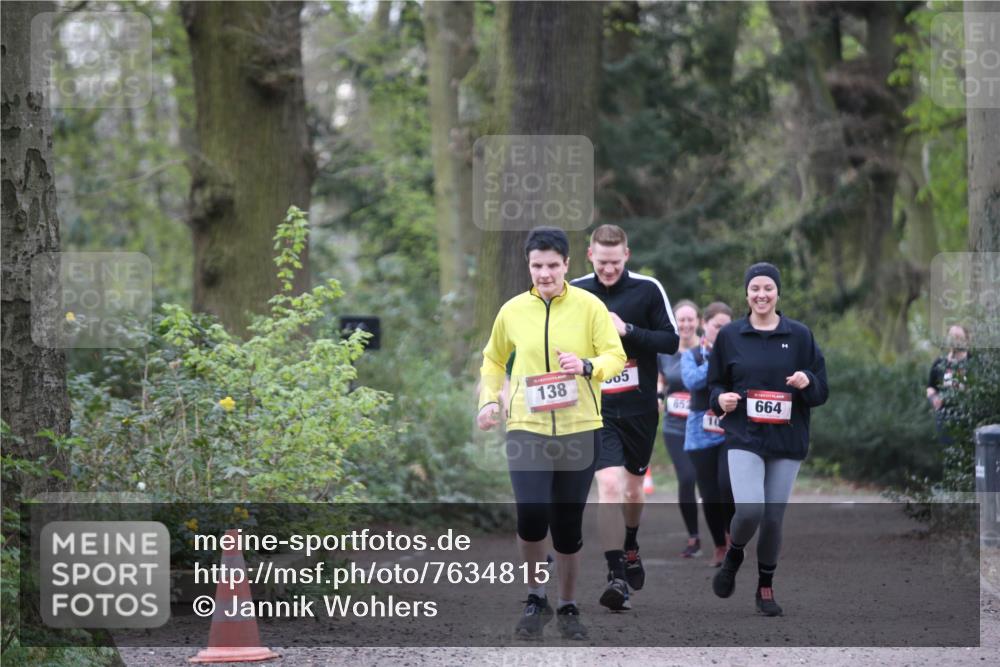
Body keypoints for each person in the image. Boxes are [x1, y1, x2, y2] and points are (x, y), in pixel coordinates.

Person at [478, 226, 626, 640]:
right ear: (529, 266)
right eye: (537, 266)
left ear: (567, 265)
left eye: (552, 266)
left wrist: (586, 366)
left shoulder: (589, 307)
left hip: (580, 429)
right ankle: (534, 596)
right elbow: (492, 360)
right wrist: (489, 400)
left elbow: (615, 355)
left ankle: (568, 603)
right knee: (530, 515)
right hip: (528, 427)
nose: (544, 273)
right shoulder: (512, 311)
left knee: (566, 525)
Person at [708, 263, 828, 616]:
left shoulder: (800, 335)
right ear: (746, 294)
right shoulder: (730, 335)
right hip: (744, 435)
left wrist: (807, 380)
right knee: (749, 510)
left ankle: (765, 586)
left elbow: (822, 390)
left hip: (787, 439)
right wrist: (720, 400)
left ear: (778, 293)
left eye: (768, 289)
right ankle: (734, 553)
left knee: (773, 518)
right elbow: (713, 385)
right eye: (755, 289)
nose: (761, 295)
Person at [570, 224, 679, 611]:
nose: (609, 270)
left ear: (627, 256)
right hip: (596, 409)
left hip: (639, 408)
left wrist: (628, 329)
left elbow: (671, 341)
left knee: (633, 492)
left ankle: (630, 543)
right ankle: (617, 576)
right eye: (602, 263)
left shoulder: (648, 289)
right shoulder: (577, 291)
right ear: (590, 256)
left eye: (615, 263)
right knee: (610, 487)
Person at [680, 301, 734, 567]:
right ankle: (719, 546)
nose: (721, 332)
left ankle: (732, 535)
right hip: (699, 430)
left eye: (727, 328)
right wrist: (715, 358)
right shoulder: (692, 355)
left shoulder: (737, 353)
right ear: (705, 325)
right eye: (717, 327)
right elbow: (692, 381)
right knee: (709, 492)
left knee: (726, 484)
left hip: (728, 429)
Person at [656, 300, 701, 558]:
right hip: (675, 426)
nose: (685, 324)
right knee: (686, 479)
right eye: (680, 320)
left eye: (689, 320)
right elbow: (661, 380)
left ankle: (726, 537)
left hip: (707, 428)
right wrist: (658, 397)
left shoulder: (709, 350)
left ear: (699, 322)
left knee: (714, 486)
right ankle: (693, 537)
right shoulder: (665, 351)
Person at [927, 324, 971, 445]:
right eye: (951, 336)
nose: (954, 340)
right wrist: (934, 398)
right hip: (945, 420)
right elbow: (930, 387)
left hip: (969, 419)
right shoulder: (939, 363)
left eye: (958, 337)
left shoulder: (974, 362)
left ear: (966, 340)